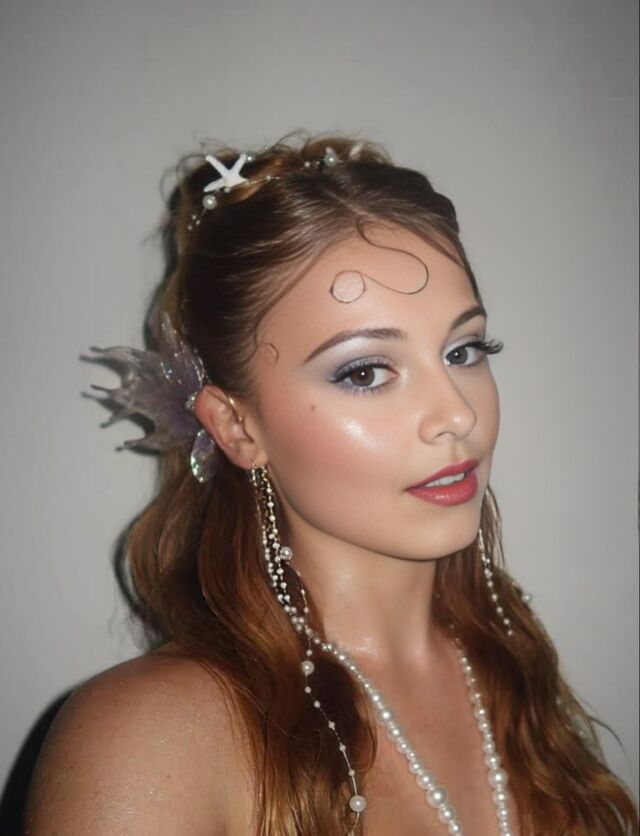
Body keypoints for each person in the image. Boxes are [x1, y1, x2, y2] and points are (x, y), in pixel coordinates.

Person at [25, 133, 638, 835]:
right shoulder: (143, 742)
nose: (457, 414)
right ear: (235, 426)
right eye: (365, 371)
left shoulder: (512, 660)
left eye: (464, 350)